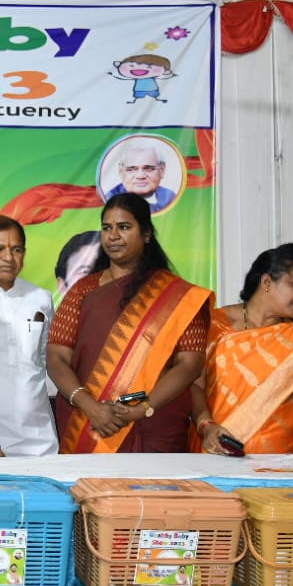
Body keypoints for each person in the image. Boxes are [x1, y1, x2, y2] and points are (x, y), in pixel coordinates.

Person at [47, 193, 210, 453]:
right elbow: (56, 357)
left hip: (157, 424)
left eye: (123, 227)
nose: (113, 236)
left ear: (146, 234)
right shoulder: (82, 291)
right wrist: (91, 407)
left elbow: (190, 364)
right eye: (106, 228)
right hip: (89, 425)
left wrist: (142, 409)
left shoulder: (178, 296)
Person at [191, 244, 293, 455]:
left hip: (284, 458)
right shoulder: (214, 325)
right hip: (218, 451)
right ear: (266, 282)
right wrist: (206, 426)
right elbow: (194, 386)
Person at [0, 215, 57, 456]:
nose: (8, 257)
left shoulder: (40, 298)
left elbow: (46, 361)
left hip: (38, 439)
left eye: (16, 249)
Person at [105, 140, 177, 213]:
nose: (140, 176)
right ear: (121, 172)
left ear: (162, 170)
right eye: (131, 169)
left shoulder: (171, 198)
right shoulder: (110, 199)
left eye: (149, 168)